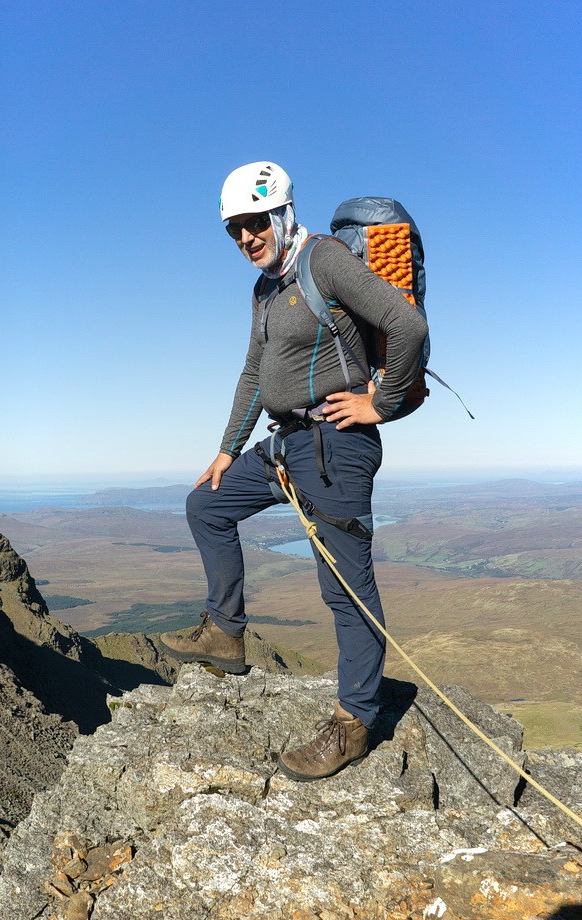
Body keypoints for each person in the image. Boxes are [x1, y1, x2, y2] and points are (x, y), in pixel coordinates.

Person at [158, 161, 429, 781]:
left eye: (255, 224)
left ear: (281, 214)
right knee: (207, 504)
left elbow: (407, 324)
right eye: (235, 231)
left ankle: (355, 720)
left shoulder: (325, 260)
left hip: (337, 444)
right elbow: (255, 374)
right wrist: (228, 450)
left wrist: (378, 405)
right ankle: (226, 634)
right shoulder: (265, 289)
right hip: (289, 444)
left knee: (345, 587)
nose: (247, 239)